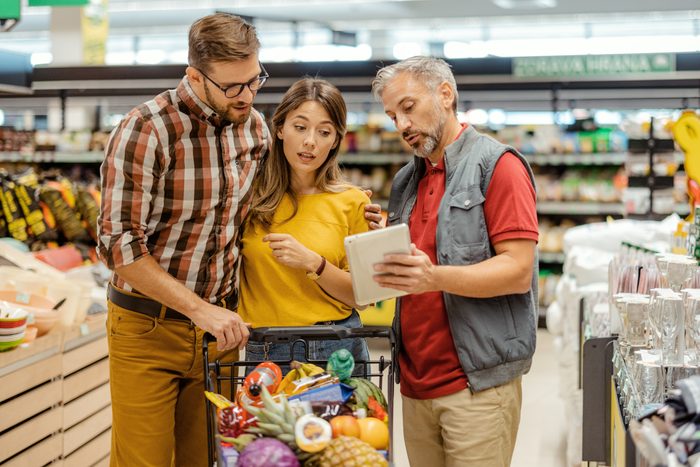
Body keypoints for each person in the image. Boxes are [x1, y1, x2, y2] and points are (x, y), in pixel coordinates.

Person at [371, 56, 539, 467]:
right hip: (415, 382)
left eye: (408, 108)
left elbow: (517, 271)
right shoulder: (405, 180)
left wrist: (432, 277)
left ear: (445, 95)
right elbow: (420, 259)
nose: (401, 126)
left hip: (475, 385)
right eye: (393, 115)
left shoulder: (498, 166)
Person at [238, 78, 370, 369]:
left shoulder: (353, 202)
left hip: (336, 348)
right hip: (266, 350)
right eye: (300, 127)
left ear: (335, 140)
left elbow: (363, 298)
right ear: (280, 128)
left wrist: (314, 263)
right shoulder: (249, 198)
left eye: (324, 132)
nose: (310, 141)